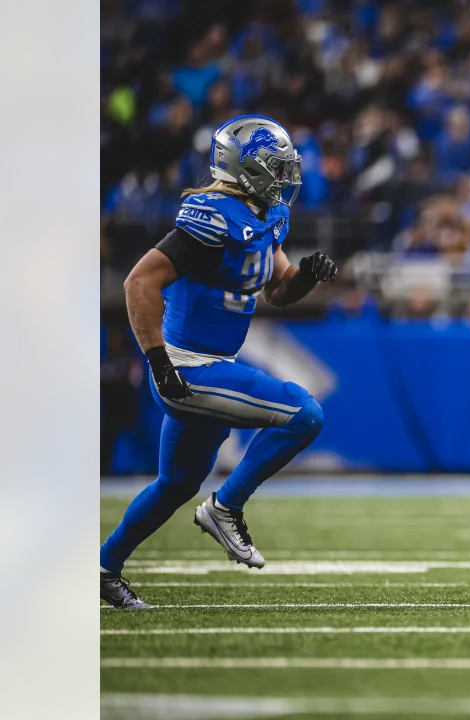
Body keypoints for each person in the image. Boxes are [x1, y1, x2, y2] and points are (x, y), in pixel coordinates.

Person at [100, 115, 338, 609]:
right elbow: (139, 282)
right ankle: (225, 507)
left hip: (210, 365)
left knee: (176, 484)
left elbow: (278, 288)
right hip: (189, 368)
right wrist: (159, 362)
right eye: (276, 166)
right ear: (245, 168)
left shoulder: (267, 213)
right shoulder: (212, 217)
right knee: (305, 413)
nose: (286, 176)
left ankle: (104, 568)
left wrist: (307, 275)